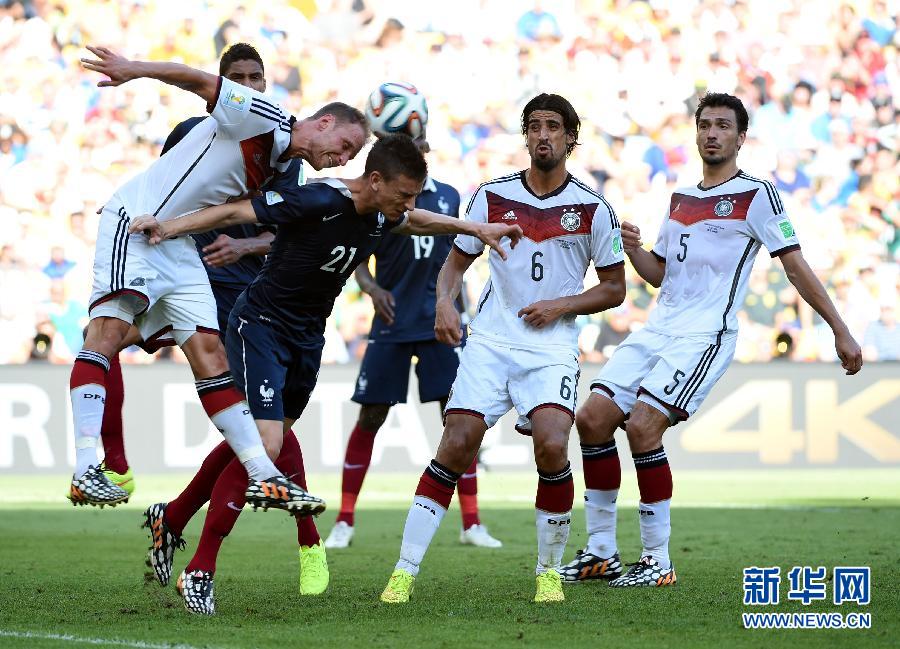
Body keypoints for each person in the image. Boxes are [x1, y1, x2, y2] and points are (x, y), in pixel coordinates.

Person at [129, 134, 522, 615]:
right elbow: (236, 212)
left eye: (413, 195)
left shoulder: (384, 211)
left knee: (253, 444)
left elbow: (416, 220)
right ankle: (201, 569)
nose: (409, 204)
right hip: (262, 327)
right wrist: (167, 226)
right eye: (404, 193)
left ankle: (171, 518)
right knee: (264, 447)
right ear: (374, 180)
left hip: (307, 339)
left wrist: (474, 227)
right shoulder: (319, 198)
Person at [560, 92, 863, 589]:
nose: (712, 133)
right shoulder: (680, 199)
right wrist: (634, 251)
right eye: (705, 125)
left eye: (723, 125)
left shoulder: (757, 194)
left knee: (643, 427)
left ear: (740, 138)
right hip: (658, 328)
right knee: (591, 419)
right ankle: (601, 553)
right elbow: (660, 274)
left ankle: (657, 560)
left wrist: (839, 328)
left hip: (705, 334)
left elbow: (794, 265)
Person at [70, 46, 367, 510]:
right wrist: (134, 69)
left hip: (175, 238)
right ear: (324, 122)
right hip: (135, 221)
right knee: (106, 334)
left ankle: (263, 476)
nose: (343, 159)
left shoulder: (285, 164)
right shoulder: (264, 115)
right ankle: (86, 467)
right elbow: (197, 79)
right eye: (345, 146)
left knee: (210, 352)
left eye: (351, 155)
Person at [379, 94, 627, 605]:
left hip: (551, 347)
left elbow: (614, 288)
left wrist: (560, 305)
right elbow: (454, 264)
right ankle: (403, 572)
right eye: (534, 126)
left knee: (553, 445)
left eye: (553, 126)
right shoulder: (491, 196)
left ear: (570, 138)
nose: (543, 134)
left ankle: (548, 572)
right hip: (491, 341)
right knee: (456, 443)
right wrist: (444, 303)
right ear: (526, 135)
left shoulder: (593, 208)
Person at [97, 42, 298, 498]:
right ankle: (117, 465)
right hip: (184, 274)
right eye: (238, 79)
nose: (247, 86)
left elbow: (287, 233)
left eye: (255, 78)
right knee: (102, 340)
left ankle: (182, 513)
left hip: (242, 292)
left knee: (264, 414)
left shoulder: (281, 147)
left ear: (265, 83)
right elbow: (160, 192)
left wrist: (245, 244)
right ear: (223, 85)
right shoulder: (191, 131)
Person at [324, 136, 501, 551]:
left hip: (441, 323)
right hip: (392, 322)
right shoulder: (386, 198)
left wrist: (459, 308)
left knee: (459, 419)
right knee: (371, 417)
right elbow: (359, 258)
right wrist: (371, 289)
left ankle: (472, 522)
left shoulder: (449, 196)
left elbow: (460, 258)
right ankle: (344, 520)